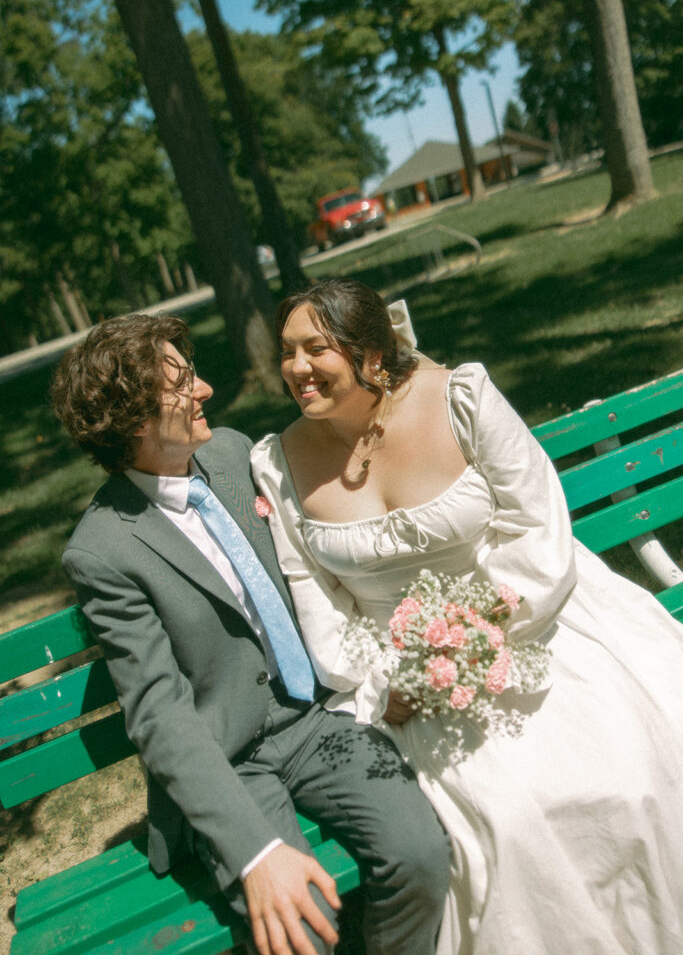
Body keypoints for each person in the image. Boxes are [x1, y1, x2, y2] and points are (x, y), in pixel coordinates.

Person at [251, 279, 683, 955]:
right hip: (399, 681)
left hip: (529, 621)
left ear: (369, 355)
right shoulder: (277, 465)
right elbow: (320, 608)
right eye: (287, 353)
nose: (297, 369)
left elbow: (538, 525)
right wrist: (395, 681)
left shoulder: (459, 396)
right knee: (507, 826)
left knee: (623, 784)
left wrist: (480, 630)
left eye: (316, 349)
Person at [50, 312, 451, 955]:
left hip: (319, 722)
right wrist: (255, 852)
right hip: (230, 761)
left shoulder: (234, 453)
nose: (204, 388)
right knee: (302, 927)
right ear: (134, 419)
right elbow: (158, 713)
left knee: (423, 856)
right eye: (181, 383)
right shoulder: (103, 551)